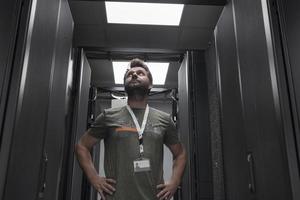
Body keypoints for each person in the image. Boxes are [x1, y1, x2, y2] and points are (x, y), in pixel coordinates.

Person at [75, 58, 187, 200]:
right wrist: (94, 178)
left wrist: (174, 182)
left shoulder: (164, 119)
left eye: (140, 73)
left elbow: (180, 154)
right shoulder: (108, 116)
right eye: (129, 74)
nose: (134, 75)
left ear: (150, 84)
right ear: (124, 85)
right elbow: (82, 146)